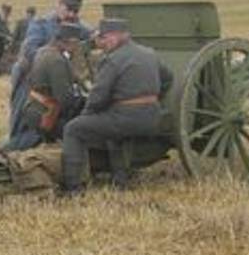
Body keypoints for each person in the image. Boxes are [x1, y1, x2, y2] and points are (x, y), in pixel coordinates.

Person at [60, 18, 173, 195]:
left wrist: (85, 116)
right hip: (152, 118)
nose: (102, 44)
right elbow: (168, 79)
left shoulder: (112, 60)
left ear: (114, 37)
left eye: (103, 38)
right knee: (114, 133)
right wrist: (152, 99)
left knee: (73, 129)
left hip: (126, 118)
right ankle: (120, 180)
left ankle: (73, 188)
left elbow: (98, 97)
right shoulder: (149, 53)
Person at [5, 0, 91, 149]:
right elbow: (31, 51)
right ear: (59, 6)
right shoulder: (40, 24)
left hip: (57, 78)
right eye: (68, 10)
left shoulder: (78, 26)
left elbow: (90, 37)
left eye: (75, 11)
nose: (71, 15)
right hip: (30, 75)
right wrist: (55, 59)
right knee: (25, 115)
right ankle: (14, 148)